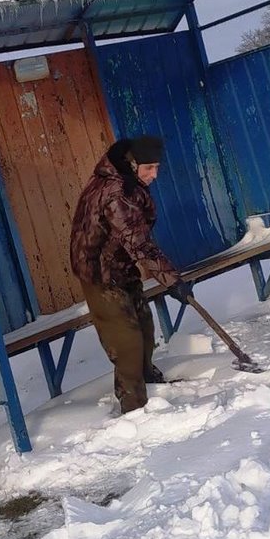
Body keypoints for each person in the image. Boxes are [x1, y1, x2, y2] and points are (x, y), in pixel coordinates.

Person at [69, 135, 192, 414]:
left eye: (157, 167)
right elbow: (139, 243)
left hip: (121, 267)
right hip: (100, 274)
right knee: (127, 343)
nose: (155, 175)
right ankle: (134, 409)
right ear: (132, 163)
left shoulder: (126, 182)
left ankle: (148, 383)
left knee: (145, 332)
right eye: (149, 168)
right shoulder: (116, 192)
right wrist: (173, 282)